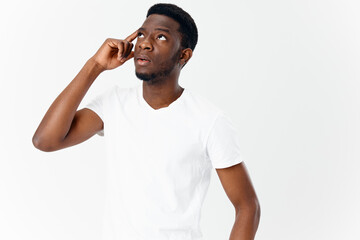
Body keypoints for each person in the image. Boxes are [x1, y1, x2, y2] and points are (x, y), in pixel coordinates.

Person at [32, 3, 260, 240]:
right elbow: (45, 140)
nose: (144, 43)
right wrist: (96, 65)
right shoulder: (113, 103)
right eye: (141, 34)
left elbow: (247, 206)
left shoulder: (209, 120)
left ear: (184, 55)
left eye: (161, 36)